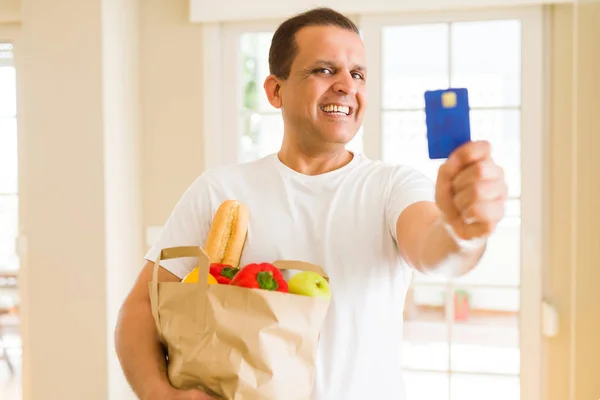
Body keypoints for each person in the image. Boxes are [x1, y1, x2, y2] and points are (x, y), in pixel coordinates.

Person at [114, 7, 508, 400]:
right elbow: (140, 310)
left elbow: (436, 251)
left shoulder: (392, 186)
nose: (345, 85)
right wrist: (158, 394)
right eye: (323, 70)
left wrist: (464, 229)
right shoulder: (220, 190)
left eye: (357, 74)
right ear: (275, 90)